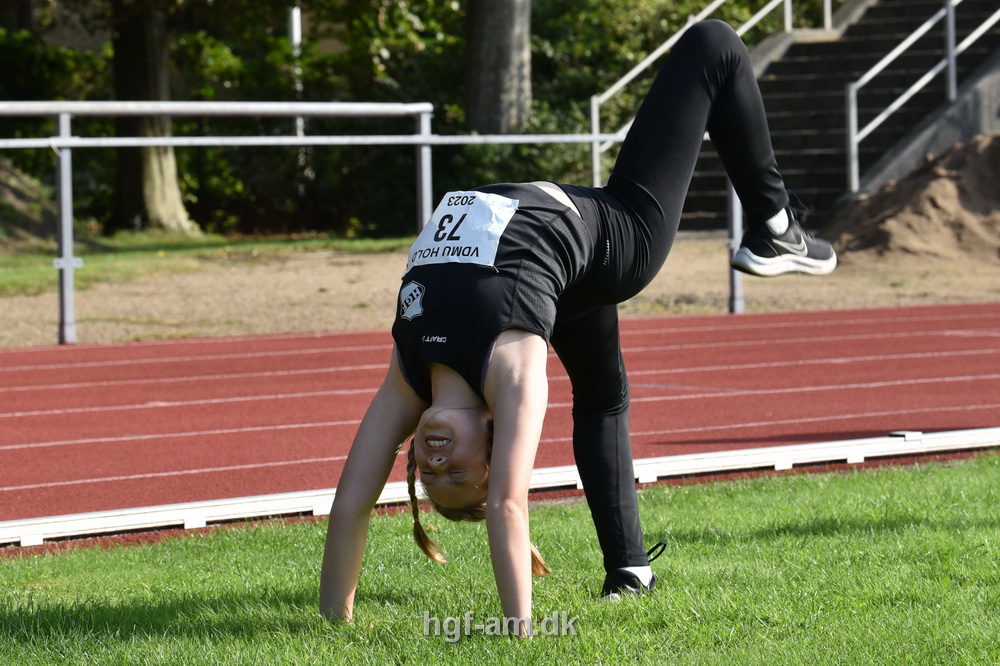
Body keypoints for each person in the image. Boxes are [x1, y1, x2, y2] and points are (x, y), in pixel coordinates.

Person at [319, 19, 836, 632]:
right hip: (616, 244)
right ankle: (776, 227)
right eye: (457, 471)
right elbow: (508, 503)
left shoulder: (409, 376)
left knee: (603, 397)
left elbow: (350, 506)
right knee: (714, 44)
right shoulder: (510, 373)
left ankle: (630, 571)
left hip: (560, 269)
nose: (435, 462)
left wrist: (334, 626)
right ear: (492, 440)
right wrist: (518, 631)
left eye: (429, 475)